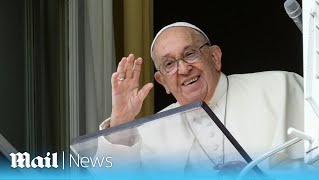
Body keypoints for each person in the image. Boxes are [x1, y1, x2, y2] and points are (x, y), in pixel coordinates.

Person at [95, 22, 304, 174]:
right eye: (169, 64)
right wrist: (120, 121)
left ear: (214, 57)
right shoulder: (152, 131)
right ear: (163, 82)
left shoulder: (280, 87)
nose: (183, 69)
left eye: (190, 54)